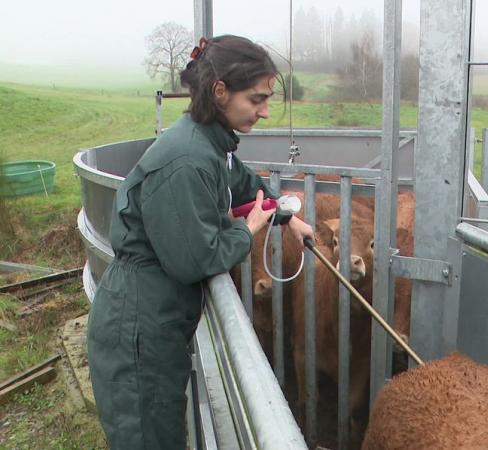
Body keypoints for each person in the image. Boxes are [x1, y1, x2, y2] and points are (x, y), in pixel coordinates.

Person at [86, 35, 314, 450]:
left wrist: (287, 217)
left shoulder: (211, 142)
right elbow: (196, 259)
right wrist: (247, 231)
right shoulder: (188, 160)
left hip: (156, 320)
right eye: (256, 99)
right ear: (220, 90)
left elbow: (246, 187)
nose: (264, 111)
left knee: (165, 431)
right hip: (138, 329)